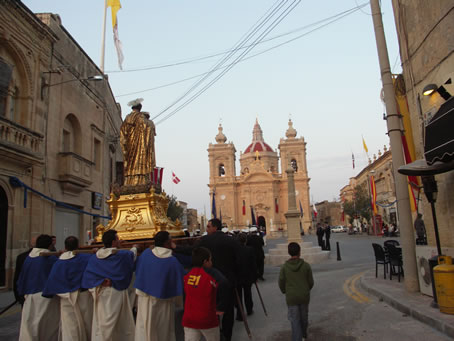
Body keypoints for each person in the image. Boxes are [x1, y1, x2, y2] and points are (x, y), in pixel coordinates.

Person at [82, 230, 138, 341]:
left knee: (103, 320)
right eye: (117, 239)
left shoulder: (96, 257)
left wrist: (100, 281)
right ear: (113, 242)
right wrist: (135, 247)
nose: (119, 241)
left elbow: (89, 275)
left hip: (101, 292)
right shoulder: (122, 255)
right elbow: (132, 255)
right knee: (117, 323)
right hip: (115, 293)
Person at [134, 231, 185, 341]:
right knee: (162, 330)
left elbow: (138, 270)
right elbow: (179, 281)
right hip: (164, 301)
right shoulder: (172, 261)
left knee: (145, 328)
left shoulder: (146, 254)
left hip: (145, 299)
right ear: (168, 243)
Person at [196, 218, 241, 341]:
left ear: (215, 227)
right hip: (229, 280)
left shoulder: (205, 240)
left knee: (212, 308)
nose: (207, 229)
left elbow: (192, 252)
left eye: (209, 226)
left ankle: (215, 334)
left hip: (211, 281)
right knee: (228, 310)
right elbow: (239, 260)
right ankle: (227, 335)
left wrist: (175, 248)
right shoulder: (232, 240)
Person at [42, 236, 93, 341]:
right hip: (82, 294)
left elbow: (53, 279)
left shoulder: (59, 262)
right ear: (78, 246)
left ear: (65, 247)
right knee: (86, 322)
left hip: (65, 296)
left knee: (69, 325)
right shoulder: (86, 258)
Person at [16, 234, 60, 341]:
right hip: (46, 296)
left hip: (29, 295)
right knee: (46, 326)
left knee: (30, 324)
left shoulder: (29, 258)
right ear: (50, 245)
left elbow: (21, 277)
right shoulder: (50, 259)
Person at [182, 247, 228, 341]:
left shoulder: (186, 275)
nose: (211, 262)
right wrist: (221, 307)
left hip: (189, 318)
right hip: (207, 319)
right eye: (210, 260)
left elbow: (184, 295)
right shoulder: (211, 274)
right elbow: (224, 284)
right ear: (205, 261)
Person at [279, 242, 314, 341]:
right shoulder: (306, 266)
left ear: (289, 252)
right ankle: (303, 335)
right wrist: (306, 289)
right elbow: (311, 282)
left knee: (295, 320)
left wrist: (285, 291)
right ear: (299, 252)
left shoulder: (284, 267)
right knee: (304, 318)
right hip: (304, 296)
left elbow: (281, 282)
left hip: (291, 297)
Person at [120, 98, 156, 186]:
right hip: (140, 145)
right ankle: (140, 179)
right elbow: (148, 129)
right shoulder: (142, 118)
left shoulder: (128, 118)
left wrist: (124, 143)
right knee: (139, 159)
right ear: (140, 108)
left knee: (131, 161)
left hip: (130, 144)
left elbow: (122, 131)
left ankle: (130, 180)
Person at [236, 233, 257, 321]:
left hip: (237, 276)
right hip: (248, 275)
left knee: (238, 296)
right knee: (248, 293)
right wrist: (255, 276)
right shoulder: (250, 250)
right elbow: (253, 264)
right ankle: (249, 309)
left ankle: (240, 314)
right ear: (246, 240)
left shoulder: (235, 250)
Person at [13, 236, 36, 306]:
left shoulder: (21, 257)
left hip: (24, 291)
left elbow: (17, 277)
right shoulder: (46, 258)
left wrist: (17, 295)